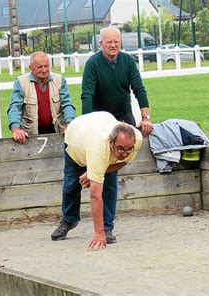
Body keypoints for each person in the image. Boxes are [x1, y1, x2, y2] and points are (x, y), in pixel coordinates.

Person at [77, 26, 154, 244]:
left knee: (109, 177)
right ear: (100, 43)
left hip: (123, 119)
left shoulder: (128, 62)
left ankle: (107, 227)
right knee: (87, 176)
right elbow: (87, 95)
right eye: (109, 42)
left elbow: (139, 89)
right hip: (100, 123)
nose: (113, 45)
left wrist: (145, 117)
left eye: (117, 42)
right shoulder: (93, 64)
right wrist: (88, 123)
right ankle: (70, 219)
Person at [51, 111, 143, 251]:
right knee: (71, 186)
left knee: (110, 186)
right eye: (120, 148)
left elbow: (123, 162)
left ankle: (107, 228)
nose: (125, 153)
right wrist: (97, 235)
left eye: (129, 149)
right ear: (111, 142)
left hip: (99, 125)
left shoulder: (136, 139)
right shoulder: (99, 147)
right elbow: (95, 196)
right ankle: (69, 220)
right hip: (76, 141)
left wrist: (95, 172)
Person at [7, 51, 76, 144]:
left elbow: (67, 104)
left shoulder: (59, 80)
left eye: (46, 66)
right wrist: (16, 129)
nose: (44, 70)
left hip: (57, 133)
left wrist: (69, 124)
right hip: (30, 137)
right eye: (40, 67)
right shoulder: (21, 82)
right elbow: (14, 107)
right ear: (31, 68)